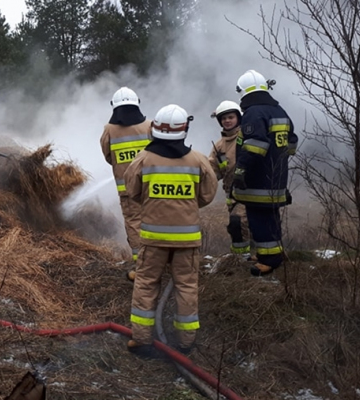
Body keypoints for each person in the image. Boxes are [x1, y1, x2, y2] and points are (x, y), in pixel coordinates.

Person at [123, 104, 217, 357]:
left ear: (155, 129)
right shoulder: (198, 160)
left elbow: (132, 191)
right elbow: (207, 195)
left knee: (145, 284)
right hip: (187, 240)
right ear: (184, 129)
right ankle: (185, 342)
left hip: (153, 240)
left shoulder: (143, 159)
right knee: (186, 286)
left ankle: (142, 340)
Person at [232, 70, 298, 276]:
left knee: (258, 218)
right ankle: (271, 253)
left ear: (243, 92)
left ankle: (269, 260)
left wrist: (241, 169)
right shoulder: (279, 111)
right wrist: (277, 159)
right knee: (270, 216)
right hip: (277, 176)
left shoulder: (254, 113)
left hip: (258, 179)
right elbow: (292, 142)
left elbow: (255, 145)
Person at [100, 87, 152, 279]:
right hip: (152, 186)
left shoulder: (109, 130)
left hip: (128, 191)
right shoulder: (149, 126)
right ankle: (162, 260)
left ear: (114, 107)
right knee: (157, 221)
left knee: (135, 224)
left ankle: (142, 267)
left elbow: (108, 156)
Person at [208, 100, 252, 260]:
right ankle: (241, 259)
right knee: (238, 226)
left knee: (238, 222)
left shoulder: (247, 137)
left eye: (231, 117)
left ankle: (245, 258)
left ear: (238, 118)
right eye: (224, 118)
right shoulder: (219, 146)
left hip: (251, 191)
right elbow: (211, 171)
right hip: (233, 196)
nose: (227, 120)